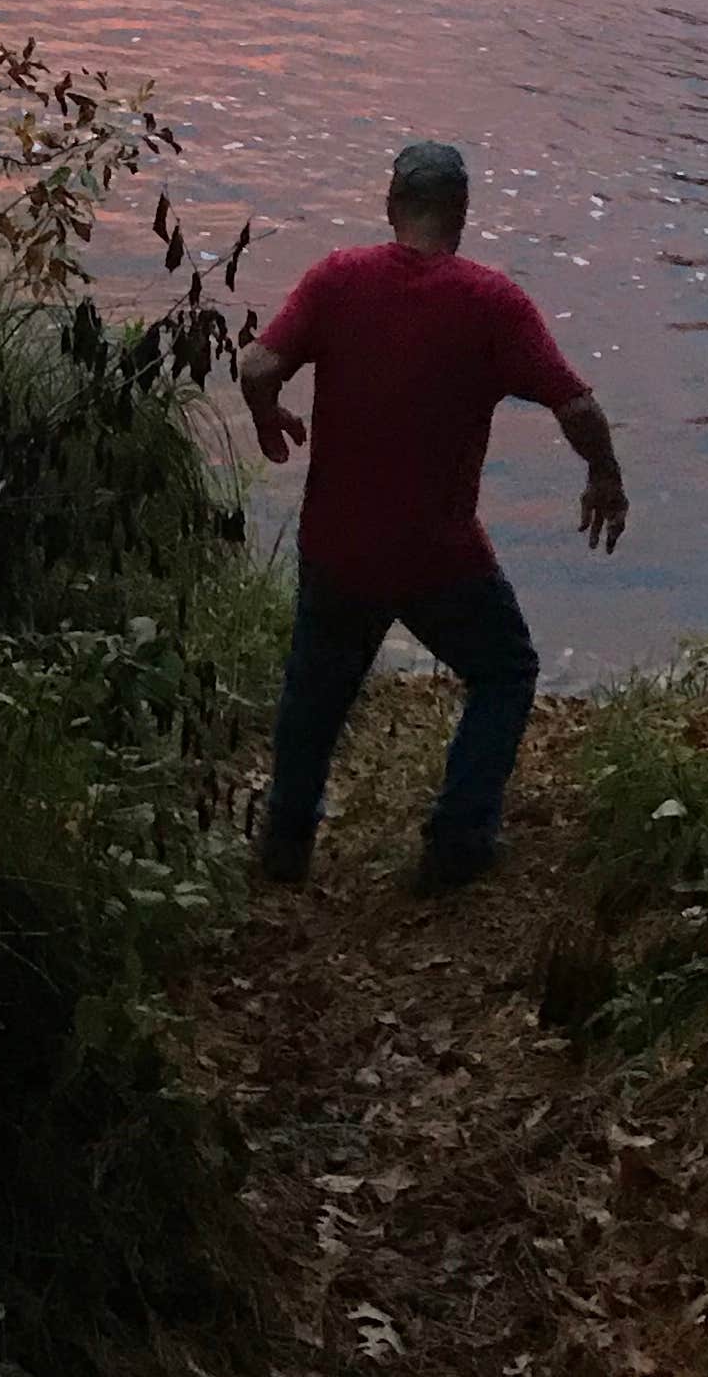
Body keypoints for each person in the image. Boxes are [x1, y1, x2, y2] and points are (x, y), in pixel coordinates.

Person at [238, 137, 628, 894]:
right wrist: (604, 476)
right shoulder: (491, 303)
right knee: (506, 670)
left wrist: (267, 417)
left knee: (313, 696)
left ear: (391, 206)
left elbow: (257, 366)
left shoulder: (337, 279)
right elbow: (576, 402)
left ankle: (285, 848)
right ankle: (458, 839)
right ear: (462, 213)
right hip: (436, 555)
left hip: (337, 547)